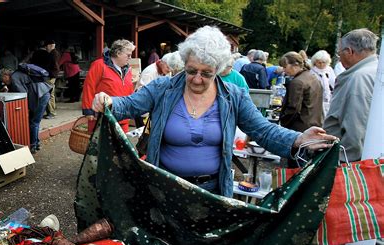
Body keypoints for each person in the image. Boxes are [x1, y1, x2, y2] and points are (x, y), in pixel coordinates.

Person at [91, 26, 337, 197]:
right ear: (184, 63)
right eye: (191, 70)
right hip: (163, 187)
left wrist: (298, 139)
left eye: (206, 73)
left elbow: (261, 130)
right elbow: (130, 105)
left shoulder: (233, 95)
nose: (197, 79)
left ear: (219, 70)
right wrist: (108, 101)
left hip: (212, 191)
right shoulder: (163, 88)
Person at [304, 28, 383, 245]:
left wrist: (346, 163)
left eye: (340, 52)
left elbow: (356, 125)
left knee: (343, 210)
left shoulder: (359, 78)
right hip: (358, 156)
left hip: (349, 158)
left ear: (349, 52)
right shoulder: (373, 71)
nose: (339, 57)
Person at [81, 39, 136, 133]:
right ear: (118, 53)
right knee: (101, 146)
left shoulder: (128, 69)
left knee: (121, 146)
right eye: (128, 55)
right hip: (102, 116)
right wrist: (88, 110)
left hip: (123, 117)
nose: (130, 58)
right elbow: (89, 87)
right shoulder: (99, 65)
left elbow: (129, 91)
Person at [0, 67, 51, 154]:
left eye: (2, 78)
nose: (3, 81)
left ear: (6, 75)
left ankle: (34, 145)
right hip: (42, 93)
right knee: (33, 121)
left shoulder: (14, 78)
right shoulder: (16, 75)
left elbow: (22, 93)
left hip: (41, 95)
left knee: (34, 122)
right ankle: (36, 143)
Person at [278, 51, 324, 135]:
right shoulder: (313, 77)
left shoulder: (297, 82)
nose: (284, 70)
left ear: (295, 65)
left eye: (285, 67)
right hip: (315, 124)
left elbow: (293, 108)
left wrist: (282, 122)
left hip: (299, 128)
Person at [32, 39, 59, 119]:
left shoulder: (51, 54)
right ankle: (51, 112)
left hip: (49, 76)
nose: (46, 48)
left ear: (48, 45)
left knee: (49, 94)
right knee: (50, 93)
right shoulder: (53, 53)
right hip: (51, 75)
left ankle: (51, 113)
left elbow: (48, 65)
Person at [310, 50, 336, 116]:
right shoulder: (312, 72)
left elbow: (334, 82)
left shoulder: (329, 70)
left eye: (323, 62)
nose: (321, 64)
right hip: (317, 99)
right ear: (315, 62)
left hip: (330, 98)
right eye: (319, 62)